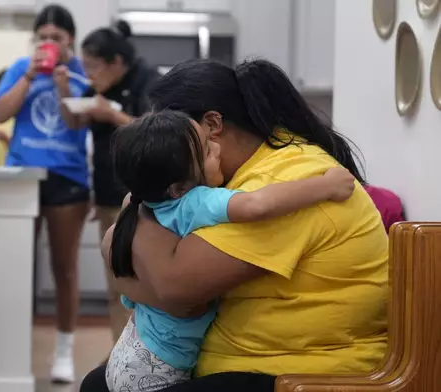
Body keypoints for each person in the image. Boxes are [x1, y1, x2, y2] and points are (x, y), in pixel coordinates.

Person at [81, 59, 388, 392]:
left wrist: (138, 213)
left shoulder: (284, 182)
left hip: (301, 371)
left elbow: (176, 290)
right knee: (98, 384)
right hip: (244, 358)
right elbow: (125, 259)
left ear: (212, 124)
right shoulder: (228, 178)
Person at [106, 110, 357, 392]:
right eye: (206, 150)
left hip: (132, 350)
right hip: (159, 366)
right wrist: (326, 186)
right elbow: (256, 205)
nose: (217, 146)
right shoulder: (194, 202)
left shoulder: (143, 206)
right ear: (178, 188)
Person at [0, 4, 89, 384]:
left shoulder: (82, 71)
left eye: (57, 38)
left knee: (64, 269)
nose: (48, 43)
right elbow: (1, 113)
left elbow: (76, 121)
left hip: (68, 177)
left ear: (70, 42)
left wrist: (64, 84)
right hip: (22, 173)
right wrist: (30, 76)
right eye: (43, 38)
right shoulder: (21, 67)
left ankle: (63, 351)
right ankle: (12, 346)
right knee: (17, 267)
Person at [59, 20, 160, 350]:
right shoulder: (98, 89)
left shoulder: (148, 80)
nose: (88, 74)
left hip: (149, 199)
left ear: (116, 62)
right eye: (84, 67)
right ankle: (120, 352)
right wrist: (63, 90)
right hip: (107, 195)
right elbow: (76, 120)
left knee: (149, 280)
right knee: (116, 283)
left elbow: (161, 133)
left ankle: (149, 351)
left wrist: (113, 115)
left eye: (93, 66)